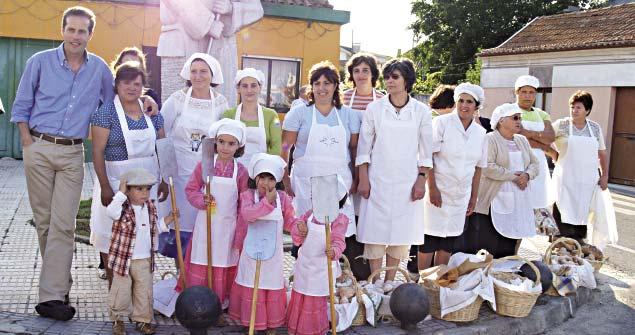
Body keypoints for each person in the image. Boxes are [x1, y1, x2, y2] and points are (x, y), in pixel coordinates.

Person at [10, 6, 157, 320]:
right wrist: (27, 141)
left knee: (63, 223)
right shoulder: (39, 62)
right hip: (38, 146)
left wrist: (144, 100)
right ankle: (59, 284)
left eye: (82, 31)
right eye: (71, 30)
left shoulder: (100, 69)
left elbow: (117, 99)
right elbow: (21, 104)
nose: (76, 36)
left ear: (90, 35)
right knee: (46, 222)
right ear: (62, 30)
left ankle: (50, 297)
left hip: (72, 154)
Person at [356, 58, 433, 290]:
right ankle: (375, 282)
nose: (389, 81)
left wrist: (421, 180)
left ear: (407, 80)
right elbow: (363, 147)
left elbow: (426, 151)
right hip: (378, 179)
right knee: (375, 233)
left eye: (395, 76)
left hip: (407, 181)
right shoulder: (375, 109)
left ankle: (390, 283)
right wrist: (363, 177)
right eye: (387, 76)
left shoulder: (421, 111)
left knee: (401, 234)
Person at [90, 62, 167, 287]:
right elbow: (97, 151)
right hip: (116, 182)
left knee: (143, 233)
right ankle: (116, 290)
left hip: (147, 184)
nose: (131, 88)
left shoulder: (152, 112)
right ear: (116, 84)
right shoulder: (105, 114)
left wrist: (163, 179)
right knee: (112, 235)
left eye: (137, 83)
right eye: (126, 82)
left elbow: (162, 146)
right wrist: (105, 186)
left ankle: (140, 289)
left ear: (143, 86)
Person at [159, 53, 229, 260]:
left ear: (212, 74)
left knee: (204, 226)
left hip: (207, 175)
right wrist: (165, 172)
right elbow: (161, 131)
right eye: (194, 71)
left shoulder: (221, 103)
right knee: (180, 226)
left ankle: (199, 278)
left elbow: (225, 136)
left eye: (203, 71)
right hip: (179, 173)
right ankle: (181, 277)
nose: (198, 76)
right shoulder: (177, 99)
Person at [176, 119, 249, 313]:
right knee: (203, 259)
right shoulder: (205, 165)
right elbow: (191, 189)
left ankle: (218, 306)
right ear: (215, 142)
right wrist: (202, 199)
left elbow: (244, 205)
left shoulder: (240, 172)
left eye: (231, 143)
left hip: (228, 228)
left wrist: (240, 235)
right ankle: (196, 303)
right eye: (221, 141)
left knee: (222, 262)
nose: (225, 147)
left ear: (239, 146)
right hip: (206, 225)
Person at [281, 61, 359, 238]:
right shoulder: (299, 113)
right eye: (317, 83)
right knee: (306, 235)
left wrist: (356, 178)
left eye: (327, 83)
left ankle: (337, 267)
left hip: (339, 184)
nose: (321, 88)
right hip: (305, 183)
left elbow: (354, 150)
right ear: (311, 86)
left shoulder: (349, 115)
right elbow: (285, 148)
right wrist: (285, 179)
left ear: (335, 86)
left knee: (336, 238)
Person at [420, 83, 488, 269]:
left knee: (448, 241)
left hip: (461, 195)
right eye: (461, 101)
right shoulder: (441, 123)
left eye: (469, 102)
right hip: (438, 190)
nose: (464, 105)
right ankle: (424, 283)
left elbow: (478, 168)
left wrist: (473, 197)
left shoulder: (481, 133)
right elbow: (429, 157)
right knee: (429, 239)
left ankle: (438, 283)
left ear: (477, 106)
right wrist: (432, 188)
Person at [229, 153, 295, 335]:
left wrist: (300, 228)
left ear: (277, 180)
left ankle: (271, 325)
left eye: (270, 179)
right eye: (262, 178)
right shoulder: (248, 196)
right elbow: (248, 215)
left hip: (273, 255)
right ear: (255, 178)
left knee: (271, 286)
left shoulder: (283, 199)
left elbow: (290, 221)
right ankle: (251, 322)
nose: (266, 183)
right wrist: (267, 202)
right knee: (251, 286)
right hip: (251, 253)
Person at [463, 103, 539, 258]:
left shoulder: (522, 140)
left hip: (519, 197)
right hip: (494, 198)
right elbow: (486, 166)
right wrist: (513, 176)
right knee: (490, 242)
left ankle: (507, 274)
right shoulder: (490, 139)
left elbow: (535, 163)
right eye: (515, 118)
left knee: (511, 241)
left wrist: (527, 175)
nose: (519, 121)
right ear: (501, 121)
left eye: (520, 118)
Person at [106, 168, 174, 335]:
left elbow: (154, 228)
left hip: (144, 259)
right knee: (121, 292)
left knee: (144, 292)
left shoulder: (150, 207)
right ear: (127, 190)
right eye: (139, 189)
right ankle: (118, 320)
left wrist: (168, 220)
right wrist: (120, 194)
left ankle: (142, 321)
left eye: (147, 189)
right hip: (124, 260)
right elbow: (110, 212)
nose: (145, 193)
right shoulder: (121, 207)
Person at [157, 0, 263, 104]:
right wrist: (207, 24)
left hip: (221, 44)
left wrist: (231, 8)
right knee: (177, 106)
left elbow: (256, 8)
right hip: (183, 40)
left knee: (220, 109)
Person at [286, 176, 349, 335]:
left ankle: (312, 330)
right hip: (305, 265)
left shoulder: (339, 220)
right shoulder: (309, 215)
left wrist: (334, 250)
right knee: (301, 295)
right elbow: (297, 236)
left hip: (321, 268)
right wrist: (299, 229)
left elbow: (339, 240)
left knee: (314, 300)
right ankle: (297, 328)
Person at [341, 52, 384, 281]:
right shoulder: (344, 97)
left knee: (367, 214)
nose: (360, 74)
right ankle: (350, 266)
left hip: (372, 164)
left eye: (365, 70)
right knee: (349, 216)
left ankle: (369, 270)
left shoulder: (382, 99)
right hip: (346, 161)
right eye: (356, 70)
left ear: (373, 74)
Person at [406, 83, 455, 279]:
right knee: (428, 229)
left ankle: (416, 269)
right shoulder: (438, 121)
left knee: (425, 227)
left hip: (433, 180)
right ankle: (418, 270)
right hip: (430, 179)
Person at [552, 91, 609, 243]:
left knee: (582, 218)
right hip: (565, 180)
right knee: (562, 218)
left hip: (587, 183)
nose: (574, 110)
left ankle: (578, 253)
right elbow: (543, 140)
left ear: (587, 110)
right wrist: (554, 155)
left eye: (578, 107)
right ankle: (558, 252)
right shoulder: (561, 125)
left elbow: (602, 154)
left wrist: (604, 175)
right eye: (572, 107)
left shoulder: (595, 128)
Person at [222, 68, 282, 166]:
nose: (249, 90)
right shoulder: (228, 115)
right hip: (233, 172)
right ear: (238, 89)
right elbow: (221, 147)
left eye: (253, 85)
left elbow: (276, 148)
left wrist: (263, 170)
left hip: (261, 174)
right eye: (244, 86)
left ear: (260, 87)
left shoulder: (272, 115)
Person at [514, 75, 555, 210]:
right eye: (524, 92)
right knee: (517, 199)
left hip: (539, 163)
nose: (527, 96)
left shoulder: (542, 114)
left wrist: (530, 134)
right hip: (516, 160)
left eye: (531, 92)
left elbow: (550, 137)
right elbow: (516, 137)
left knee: (536, 202)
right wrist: (541, 139)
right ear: (517, 92)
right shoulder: (510, 111)